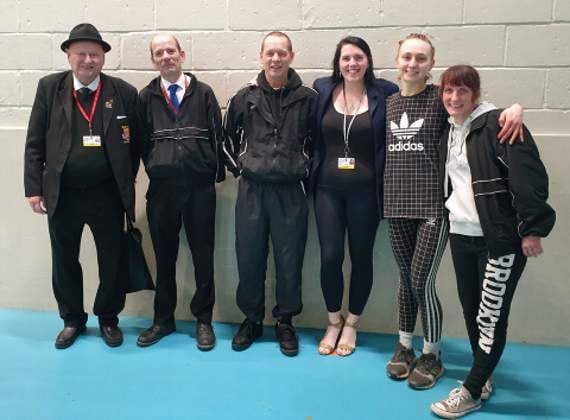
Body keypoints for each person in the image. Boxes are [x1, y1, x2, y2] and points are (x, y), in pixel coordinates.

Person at [384, 33, 524, 389]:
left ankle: (432, 353)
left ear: (431, 64)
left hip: (433, 208)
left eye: (421, 58)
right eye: (407, 57)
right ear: (398, 60)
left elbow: (479, 110)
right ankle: (404, 346)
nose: (412, 63)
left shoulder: (439, 98)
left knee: (421, 281)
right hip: (395, 205)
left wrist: (514, 109)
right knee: (405, 280)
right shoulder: (387, 103)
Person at [430, 64, 555, 418]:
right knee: (472, 310)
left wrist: (532, 228)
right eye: (449, 91)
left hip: (498, 240)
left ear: (476, 94)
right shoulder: (449, 130)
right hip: (461, 234)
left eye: (463, 91)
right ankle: (482, 375)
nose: (454, 98)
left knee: (490, 315)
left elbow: (529, 178)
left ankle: (470, 390)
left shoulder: (498, 125)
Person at [24, 23, 140, 349]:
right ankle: (72, 319)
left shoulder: (123, 92)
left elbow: (135, 146)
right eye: (81, 54)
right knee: (64, 260)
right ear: (68, 56)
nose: (88, 60)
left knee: (112, 259)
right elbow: (34, 142)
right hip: (63, 194)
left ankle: (108, 318)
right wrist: (33, 188)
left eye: (94, 54)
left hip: (108, 195)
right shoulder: (49, 88)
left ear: (103, 57)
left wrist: (125, 182)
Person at [223, 31, 317, 356]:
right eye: (270, 53)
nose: (276, 58)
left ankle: (285, 321)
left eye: (282, 52)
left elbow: (320, 143)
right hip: (252, 190)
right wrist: (241, 168)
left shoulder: (308, 98)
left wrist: (304, 167)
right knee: (249, 256)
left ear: (291, 56)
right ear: (261, 56)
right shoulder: (244, 97)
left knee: (290, 258)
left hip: (291, 191)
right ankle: (251, 319)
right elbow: (224, 139)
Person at [136, 34, 225, 350]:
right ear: (153, 60)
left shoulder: (204, 93)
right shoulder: (145, 97)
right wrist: (157, 165)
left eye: (170, 50)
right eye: (159, 53)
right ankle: (163, 319)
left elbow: (217, 136)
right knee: (164, 258)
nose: (166, 56)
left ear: (182, 54)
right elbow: (140, 142)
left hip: (199, 189)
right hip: (162, 191)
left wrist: (212, 173)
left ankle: (203, 320)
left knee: (203, 256)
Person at [311, 37, 398, 356]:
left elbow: (426, 95)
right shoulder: (322, 89)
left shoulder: (384, 92)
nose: (352, 64)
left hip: (366, 193)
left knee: (361, 257)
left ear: (368, 61)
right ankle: (334, 320)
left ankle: (352, 323)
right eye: (346, 58)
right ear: (338, 62)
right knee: (330, 256)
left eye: (358, 57)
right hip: (327, 191)